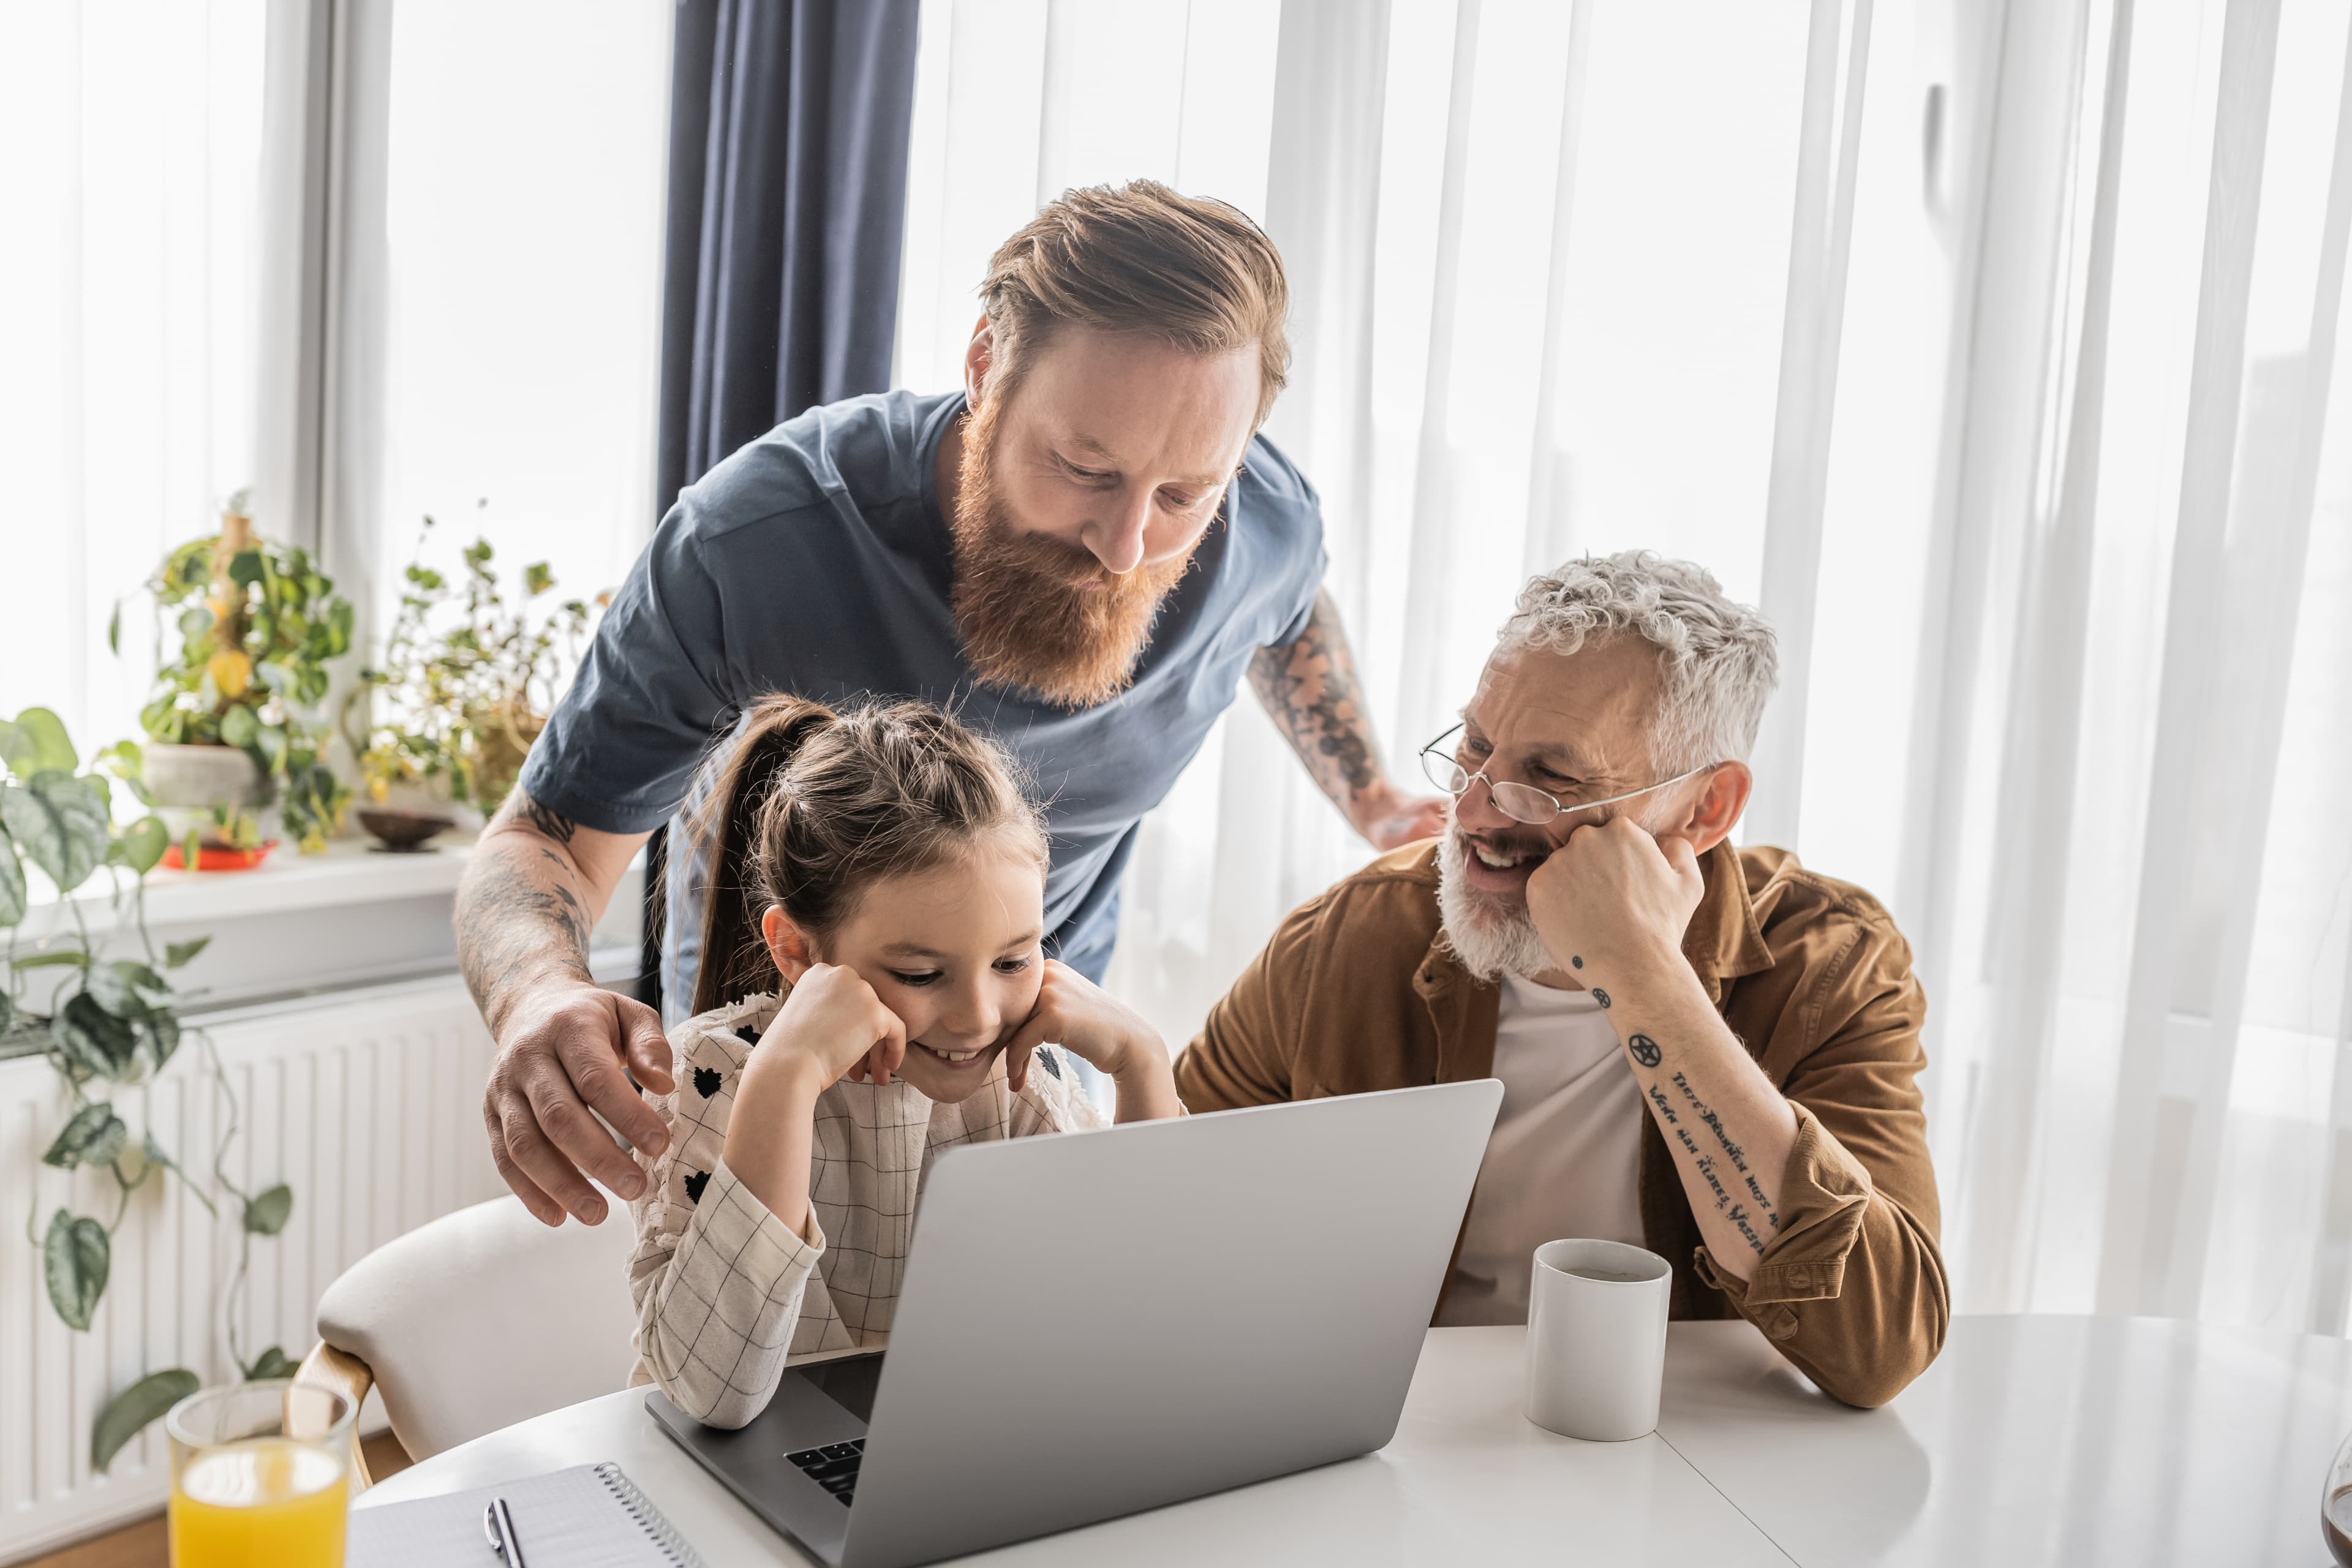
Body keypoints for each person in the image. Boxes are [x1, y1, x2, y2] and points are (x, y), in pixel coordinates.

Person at [459, 180, 1442, 1229]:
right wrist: (538, 995)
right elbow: (544, 842)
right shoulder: (757, 543)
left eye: (1183, 495)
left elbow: (1289, 612)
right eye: (1084, 468)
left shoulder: (1258, 523)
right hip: (776, 1082)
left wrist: (1371, 793)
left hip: (1021, 1094)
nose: (1124, 549)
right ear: (984, 369)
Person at [1175, 551, 1946, 1408]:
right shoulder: (1351, 939)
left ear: (1706, 808)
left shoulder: (1829, 964)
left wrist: (1645, 976)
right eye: (1475, 748)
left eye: (1548, 779)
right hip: (1398, 1440)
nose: (1470, 813)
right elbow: (1163, 1223)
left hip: (1690, 1466)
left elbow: (1884, 1349)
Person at [628, 695, 1182, 1429]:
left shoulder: (1013, 1082)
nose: (979, 1017)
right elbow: (715, 1395)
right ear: (796, 950)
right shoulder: (717, 1074)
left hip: (937, 1465)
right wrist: (785, 1082)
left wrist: (1145, 1068)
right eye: (922, 974)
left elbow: (1137, 1337)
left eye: (1015, 959)